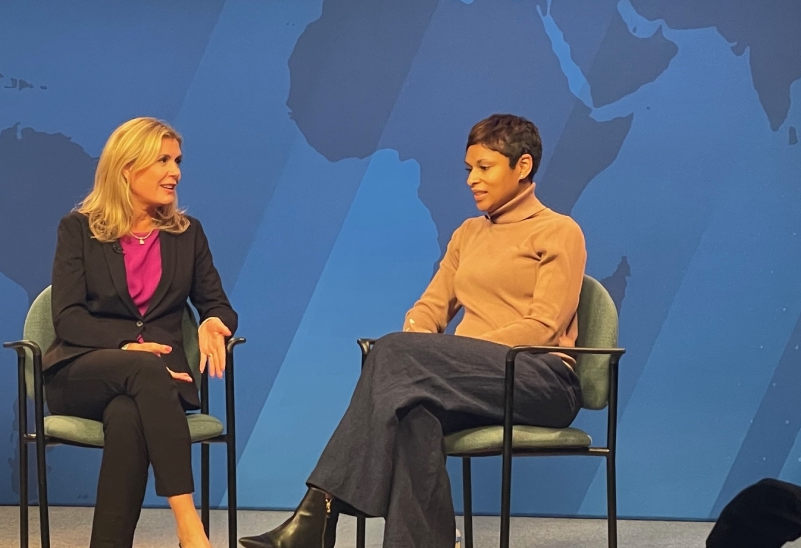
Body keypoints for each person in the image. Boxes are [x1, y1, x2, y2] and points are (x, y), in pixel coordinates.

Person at [239, 114, 587, 548]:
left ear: (523, 166)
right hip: (471, 381)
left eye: (485, 167)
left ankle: (317, 514)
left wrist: (451, 353)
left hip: (541, 379)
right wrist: (428, 342)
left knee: (393, 353)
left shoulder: (559, 231)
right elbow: (430, 307)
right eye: (469, 169)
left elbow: (544, 326)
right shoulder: (468, 233)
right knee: (409, 413)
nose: (472, 180)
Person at [45, 117, 238, 548]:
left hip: (154, 389)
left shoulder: (187, 235)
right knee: (144, 368)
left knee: (127, 417)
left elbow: (217, 304)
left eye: (178, 161)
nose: (176, 172)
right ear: (127, 168)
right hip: (82, 374)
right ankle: (189, 525)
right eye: (163, 160)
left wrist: (212, 321)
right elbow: (68, 318)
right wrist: (128, 347)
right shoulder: (78, 230)